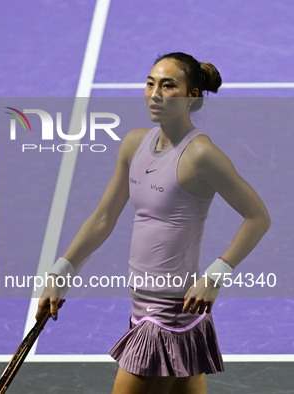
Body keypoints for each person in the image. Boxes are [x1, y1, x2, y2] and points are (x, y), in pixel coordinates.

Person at [35, 52, 271, 394]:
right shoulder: (134, 143)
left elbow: (258, 217)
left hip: (169, 315)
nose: (155, 93)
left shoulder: (201, 155)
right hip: (144, 308)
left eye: (168, 85)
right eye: (150, 83)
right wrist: (60, 273)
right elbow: (104, 217)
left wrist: (215, 275)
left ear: (192, 96)